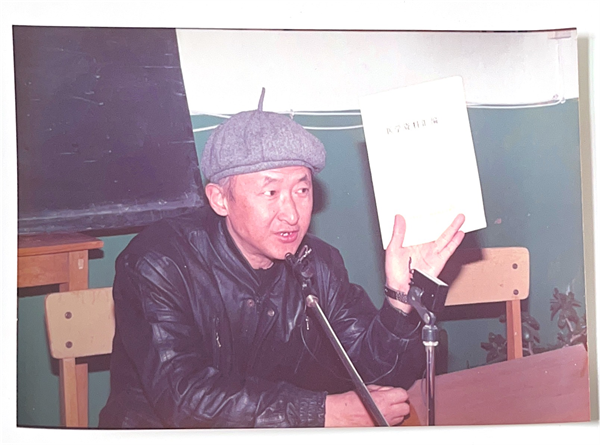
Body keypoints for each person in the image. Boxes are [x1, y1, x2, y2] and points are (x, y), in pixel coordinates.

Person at [99, 93, 465, 429]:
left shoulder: (318, 264)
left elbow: (376, 378)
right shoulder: (159, 263)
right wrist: (324, 412)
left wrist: (400, 300)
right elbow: (184, 399)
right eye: (270, 192)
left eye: (302, 190)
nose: (291, 214)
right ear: (220, 199)